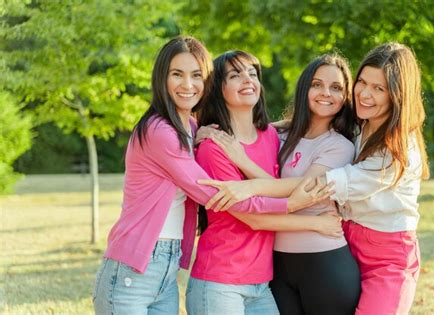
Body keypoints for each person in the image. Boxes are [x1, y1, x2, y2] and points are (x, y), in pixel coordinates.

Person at [92, 37, 331, 315]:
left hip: (167, 271)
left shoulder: (191, 127)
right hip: (133, 269)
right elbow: (217, 194)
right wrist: (291, 204)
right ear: (161, 78)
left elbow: (257, 130)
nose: (188, 85)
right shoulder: (160, 131)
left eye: (196, 75)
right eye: (177, 74)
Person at [197, 53, 361, 314]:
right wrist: (200, 129)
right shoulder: (279, 134)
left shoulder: (339, 146)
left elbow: (302, 190)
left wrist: (242, 163)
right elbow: (244, 127)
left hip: (323, 259)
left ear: (345, 98)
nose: (325, 93)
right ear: (304, 87)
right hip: (276, 267)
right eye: (317, 84)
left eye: (336, 87)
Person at [323, 42, 430, 315]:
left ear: (397, 95)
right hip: (344, 243)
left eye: (378, 88)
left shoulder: (399, 149)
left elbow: (333, 182)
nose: (364, 94)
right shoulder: (356, 124)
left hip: (389, 258)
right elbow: (307, 125)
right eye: (362, 82)